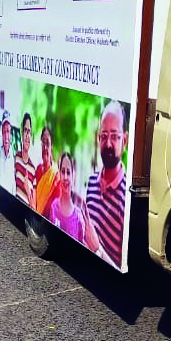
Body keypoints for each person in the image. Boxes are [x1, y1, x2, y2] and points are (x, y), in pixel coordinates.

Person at [84, 101, 128, 265]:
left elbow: (120, 265)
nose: (108, 144)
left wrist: (97, 250)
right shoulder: (91, 182)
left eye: (115, 136)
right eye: (104, 136)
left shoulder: (125, 196)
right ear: (98, 138)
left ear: (125, 139)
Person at [48, 153, 92, 243]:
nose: (65, 177)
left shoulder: (78, 217)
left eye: (68, 172)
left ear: (73, 175)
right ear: (59, 173)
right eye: (63, 171)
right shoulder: (53, 206)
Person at [34, 126, 59, 215]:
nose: (44, 147)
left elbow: (56, 209)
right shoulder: (37, 170)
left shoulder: (56, 176)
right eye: (43, 143)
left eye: (47, 143)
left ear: (51, 146)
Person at [14, 112, 37, 208]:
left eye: (30, 132)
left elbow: (34, 207)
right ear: (22, 133)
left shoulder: (33, 169)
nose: (27, 136)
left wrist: (28, 190)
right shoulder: (16, 158)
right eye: (26, 131)